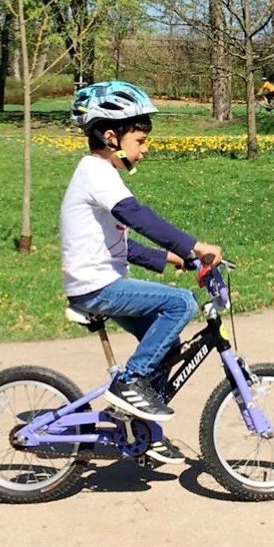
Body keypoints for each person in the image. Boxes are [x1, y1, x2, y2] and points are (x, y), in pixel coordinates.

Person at [60, 81, 222, 463]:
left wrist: (170, 258)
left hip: (102, 280)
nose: (145, 149)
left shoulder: (100, 174)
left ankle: (144, 431)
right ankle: (129, 383)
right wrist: (194, 245)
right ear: (112, 135)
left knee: (164, 346)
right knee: (181, 303)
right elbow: (136, 216)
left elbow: (120, 244)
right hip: (96, 287)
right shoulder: (96, 173)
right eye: (141, 140)